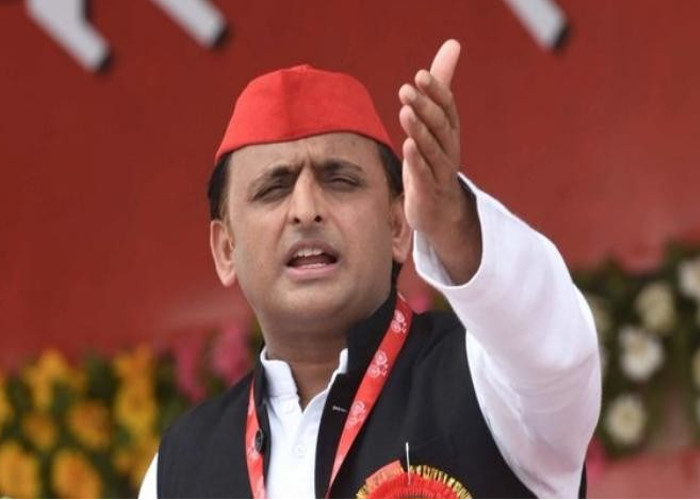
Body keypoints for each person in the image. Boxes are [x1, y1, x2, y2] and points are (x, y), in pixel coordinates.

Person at [139, 40, 600, 498]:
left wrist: (453, 219)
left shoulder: (489, 382)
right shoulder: (181, 466)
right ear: (226, 249)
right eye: (273, 189)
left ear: (398, 225)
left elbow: (557, 353)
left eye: (340, 180)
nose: (306, 209)